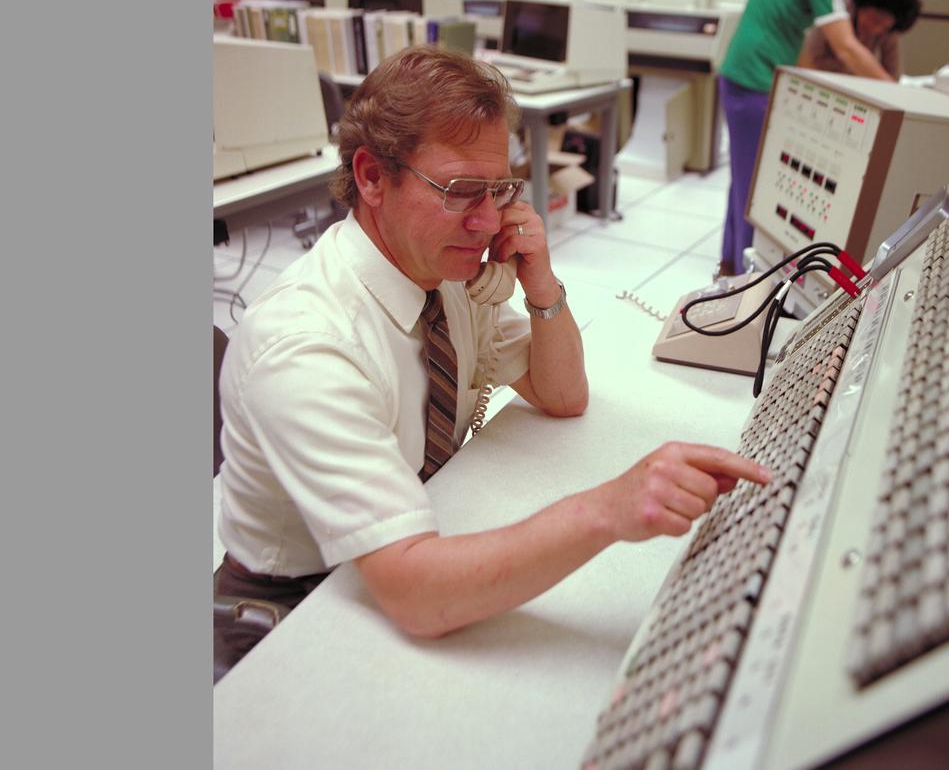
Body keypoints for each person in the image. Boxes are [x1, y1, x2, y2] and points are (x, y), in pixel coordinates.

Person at [214, 46, 769, 661]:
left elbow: (561, 395)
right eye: (460, 191)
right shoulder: (306, 345)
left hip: (408, 535)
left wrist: (541, 285)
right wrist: (608, 509)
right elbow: (417, 596)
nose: (486, 222)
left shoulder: (442, 270)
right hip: (296, 603)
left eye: (498, 189)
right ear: (372, 177)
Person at [716, 0, 897, 276]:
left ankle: (730, 266)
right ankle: (745, 283)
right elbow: (845, 45)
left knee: (745, 180)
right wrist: (895, 94)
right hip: (753, 80)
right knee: (754, 189)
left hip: (750, 77)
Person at [797, 0, 921, 80]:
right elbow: (809, 60)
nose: (876, 29)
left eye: (885, 27)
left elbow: (893, 76)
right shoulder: (836, 12)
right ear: (863, 3)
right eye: (875, 20)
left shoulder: (889, 31)